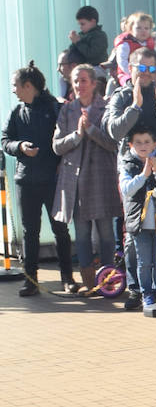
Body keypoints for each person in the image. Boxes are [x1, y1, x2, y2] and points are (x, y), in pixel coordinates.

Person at [4, 62, 74, 296]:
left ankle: (68, 278)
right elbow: (4, 140)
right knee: (29, 232)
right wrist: (20, 147)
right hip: (26, 180)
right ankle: (30, 280)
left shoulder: (54, 108)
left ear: (28, 85)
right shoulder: (16, 112)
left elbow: (66, 141)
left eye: (15, 85)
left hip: (52, 180)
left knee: (60, 229)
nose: (13, 90)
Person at [52, 63, 120, 294]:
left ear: (93, 83)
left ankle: (108, 279)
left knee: (106, 233)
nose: (79, 85)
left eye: (83, 80)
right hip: (76, 181)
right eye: (75, 81)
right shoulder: (67, 110)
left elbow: (113, 144)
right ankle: (89, 282)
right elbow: (57, 146)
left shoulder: (106, 107)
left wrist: (91, 129)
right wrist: (77, 135)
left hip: (101, 178)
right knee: (81, 234)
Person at [118, 123, 156, 311]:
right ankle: (146, 293)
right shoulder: (128, 165)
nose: (143, 145)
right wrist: (144, 175)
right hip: (140, 225)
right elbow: (127, 190)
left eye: (147, 142)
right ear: (131, 145)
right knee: (144, 262)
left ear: (154, 144)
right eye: (138, 142)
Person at [112, 12, 156, 87]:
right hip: (126, 73)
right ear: (130, 29)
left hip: (147, 72)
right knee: (129, 83)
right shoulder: (126, 44)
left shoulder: (150, 44)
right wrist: (131, 73)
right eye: (138, 28)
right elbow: (122, 61)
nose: (143, 31)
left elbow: (155, 60)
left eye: (146, 28)